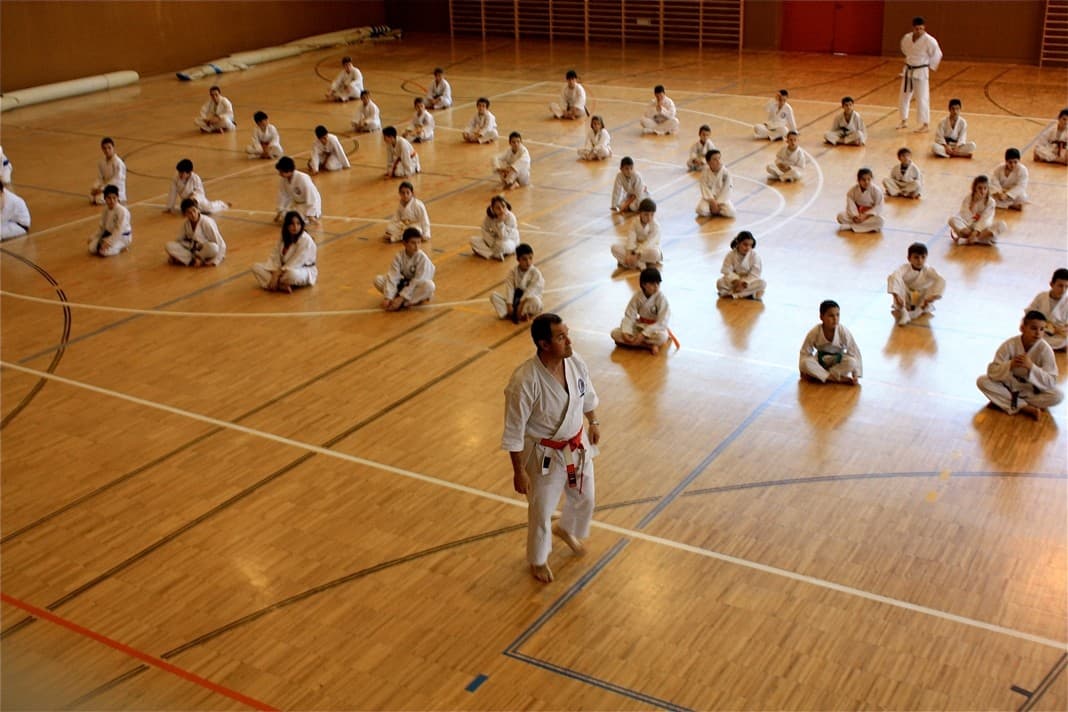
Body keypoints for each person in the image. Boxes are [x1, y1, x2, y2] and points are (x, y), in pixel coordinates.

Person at [503, 313, 601, 583]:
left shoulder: (574, 361)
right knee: (541, 509)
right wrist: (518, 471)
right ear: (544, 344)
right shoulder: (524, 381)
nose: (569, 341)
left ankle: (566, 528)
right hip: (543, 455)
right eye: (561, 337)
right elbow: (514, 431)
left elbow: (587, 394)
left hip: (577, 445)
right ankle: (538, 559)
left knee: (586, 497)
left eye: (567, 333)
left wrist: (593, 421)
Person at [977, 311, 1064, 419]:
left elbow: (1051, 381)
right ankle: (1024, 407)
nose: (1038, 333)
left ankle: (1006, 402)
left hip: (1031, 390)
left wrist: (1031, 367)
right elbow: (992, 372)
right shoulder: (1009, 345)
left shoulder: (1046, 350)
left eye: (1042, 329)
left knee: (1058, 396)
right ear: (1022, 328)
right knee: (982, 381)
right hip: (1009, 386)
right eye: (1033, 328)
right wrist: (1010, 365)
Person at [251, 211, 318, 292]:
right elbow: (275, 255)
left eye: (298, 224)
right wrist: (275, 271)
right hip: (282, 269)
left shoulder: (305, 240)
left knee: (291, 275)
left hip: (302, 270)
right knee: (255, 267)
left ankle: (274, 284)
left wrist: (277, 274)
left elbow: (297, 261)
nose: (295, 227)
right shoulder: (284, 236)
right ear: (287, 225)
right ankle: (280, 286)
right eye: (292, 224)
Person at [799, 300, 862, 385]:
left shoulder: (842, 331)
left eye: (837, 315)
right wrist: (802, 371)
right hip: (821, 361)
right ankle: (837, 379)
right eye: (831, 316)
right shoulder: (815, 332)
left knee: (852, 362)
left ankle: (822, 376)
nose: (835, 319)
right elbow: (805, 352)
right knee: (805, 363)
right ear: (821, 317)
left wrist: (856, 375)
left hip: (837, 362)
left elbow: (854, 351)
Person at [611, 267, 672, 354]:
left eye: (658, 283)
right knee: (615, 333)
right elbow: (629, 315)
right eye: (652, 284)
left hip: (655, 329)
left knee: (662, 337)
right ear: (644, 284)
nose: (656, 287)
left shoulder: (661, 299)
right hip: (640, 325)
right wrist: (626, 332)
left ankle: (633, 343)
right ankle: (648, 346)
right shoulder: (637, 297)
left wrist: (644, 334)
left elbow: (662, 322)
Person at [374, 227, 436, 310]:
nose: (417, 246)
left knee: (430, 286)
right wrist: (388, 297)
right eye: (413, 243)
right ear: (404, 243)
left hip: (418, 285)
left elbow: (417, 281)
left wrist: (401, 298)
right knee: (378, 280)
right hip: (404, 283)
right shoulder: (399, 257)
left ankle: (406, 302)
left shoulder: (422, 258)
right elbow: (393, 276)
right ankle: (395, 299)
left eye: (419, 242)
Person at [899, 16, 943, 132]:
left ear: (924, 28)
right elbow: (904, 49)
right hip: (908, 70)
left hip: (921, 71)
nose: (919, 31)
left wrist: (929, 65)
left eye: (921, 29)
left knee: (922, 98)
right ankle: (903, 120)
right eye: (916, 29)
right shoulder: (907, 38)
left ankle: (925, 124)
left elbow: (937, 54)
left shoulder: (929, 40)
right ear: (913, 28)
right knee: (904, 96)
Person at [887, 242, 945, 326]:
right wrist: (896, 295)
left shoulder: (928, 270)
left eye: (923, 257)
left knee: (938, 280)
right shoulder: (904, 268)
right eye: (916, 257)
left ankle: (916, 311)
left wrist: (934, 296)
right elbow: (894, 277)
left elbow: (940, 280)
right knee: (893, 277)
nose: (920, 261)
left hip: (922, 299)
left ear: (926, 257)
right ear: (909, 258)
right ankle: (904, 312)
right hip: (905, 298)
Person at [491, 243, 544, 322]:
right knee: (493, 296)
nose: (528, 262)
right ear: (518, 259)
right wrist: (509, 304)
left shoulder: (536, 273)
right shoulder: (512, 272)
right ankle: (516, 314)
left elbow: (531, 291)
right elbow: (510, 289)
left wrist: (521, 305)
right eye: (524, 259)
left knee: (536, 302)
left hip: (527, 301)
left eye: (530, 258)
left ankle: (521, 313)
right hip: (515, 301)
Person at [166, 198, 226, 266]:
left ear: (198, 210)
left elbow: (221, 243)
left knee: (214, 248)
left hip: (205, 250)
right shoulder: (186, 224)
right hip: (192, 250)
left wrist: (216, 260)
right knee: (169, 245)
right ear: (185, 214)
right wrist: (173, 254)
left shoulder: (206, 222)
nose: (193, 214)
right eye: (189, 212)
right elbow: (179, 240)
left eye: (194, 210)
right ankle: (193, 261)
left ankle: (197, 259)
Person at [948, 175, 1005, 245]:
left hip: (983, 229)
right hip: (968, 227)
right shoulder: (968, 198)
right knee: (952, 220)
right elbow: (964, 215)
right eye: (979, 188)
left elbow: (986, 219)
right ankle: (981, 240)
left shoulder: (991, 202)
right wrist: (974, 203)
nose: (982, 191)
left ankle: (970, 240)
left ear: (988, 189)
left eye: (985, 188)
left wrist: (975, 232)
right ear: (975, 188)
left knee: (1002, 225)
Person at [611, 197, 661, 270]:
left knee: (655, 254)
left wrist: (636, 255)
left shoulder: (656, 226)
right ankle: (641, 264)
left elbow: (649, 243)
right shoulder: (635, 222)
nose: (649, 218)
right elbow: (631, 240)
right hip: (635, 249)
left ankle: (629, 263)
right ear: (640, 213)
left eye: (652, 215)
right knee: (614, 248)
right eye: (646, 214)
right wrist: (628, 254)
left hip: (648, 250)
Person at [164, 159, 229, 215]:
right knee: (187, 212)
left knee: (209, 210)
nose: (180, 174)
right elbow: (172, 192)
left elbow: (200, 192)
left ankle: (221, 204)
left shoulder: (195, 178)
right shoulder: (176, 178)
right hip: (186, 203)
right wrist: (169, 207)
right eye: (179, 172)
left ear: (189, 172)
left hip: (198, 201)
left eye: (182, 173)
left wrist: (193, 198)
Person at [1026, 269, 1068, 350]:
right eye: (1060, 286)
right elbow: (1029, 314)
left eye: (1066, 287)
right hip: (1039, 333)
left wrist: (1062, 329)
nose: (1063, 290)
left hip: (1058, 337)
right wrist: (1046, 326)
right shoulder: (1041, 297)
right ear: (1051, 284)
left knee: (1064, 340)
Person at [717, 231, 765, 300]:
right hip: (734, 282)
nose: (748, 247)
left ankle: (734, 295)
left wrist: (744, 283)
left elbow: (755, 274)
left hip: (747, 283)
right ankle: (747, 294)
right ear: (738, 243)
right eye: (745, 244)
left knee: (762, 283)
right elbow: (727, 270)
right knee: (720, 283)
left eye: (750, 245)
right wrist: (736, 281)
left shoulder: (754, 256)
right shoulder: (731, 255)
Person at [274, 156, 322, 224]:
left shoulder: (303, 178)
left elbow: (312, 196)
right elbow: (283, 195)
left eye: (281, 172)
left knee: (296, 220)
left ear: (289, 170)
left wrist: (310, 215)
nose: (280, 174)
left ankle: (309, 216)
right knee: (286, 217)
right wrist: (279, 212)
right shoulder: (284, 179)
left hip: (310, 204)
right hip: (298, 205)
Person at [87, 184, 131, 256]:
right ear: (105, 198)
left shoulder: (122, 211)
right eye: (109, 198)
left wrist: (109, 242)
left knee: (103, 252)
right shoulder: (105, 209)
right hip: (109, 234)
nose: (112, 201)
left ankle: (123, 246)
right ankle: (111, 244)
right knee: (92, 248)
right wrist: (93, 236)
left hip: (122, 237)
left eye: (114, 198)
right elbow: (102, 227)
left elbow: (119, 230)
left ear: (118, 198)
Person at [471, 194, 519, 260]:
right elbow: (484, 229)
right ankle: (496, 254)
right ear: (493, 208)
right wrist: (491, 242)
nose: (501, 210)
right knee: (473, 240)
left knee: (501, 245)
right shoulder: (490, 216)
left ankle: (490, 252)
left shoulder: (510, 217)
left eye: (503, 206)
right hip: (495, 240)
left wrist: (500, 222)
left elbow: (504, 237)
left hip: (509, 241)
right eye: (498, 208)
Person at [836, 168, 884, 233]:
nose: (866, 182)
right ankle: (863, 227)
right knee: (840, 216)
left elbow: (878, 207)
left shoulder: (876, 191)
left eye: (869, 179)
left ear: (871, 179)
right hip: (857, 216)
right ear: (858, 180)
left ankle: (850, 227)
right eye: (863, 180)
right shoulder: (852, 191)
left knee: (880, 221)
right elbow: (851, 205)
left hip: (869, 217)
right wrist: (855, 216)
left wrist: (865, 216)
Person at [697, 149, 735, 218]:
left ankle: (716, 210)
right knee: (701, 210)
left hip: (722, 199)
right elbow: (704, 187)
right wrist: (712, 201)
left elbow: (727, 189)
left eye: (719, 158)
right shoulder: (705, 172)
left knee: (731, 212)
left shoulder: (725, 173)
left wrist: (718, 203)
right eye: (714, 159)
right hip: (709, 198)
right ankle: (714, 210)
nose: (718, 161)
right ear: (708, 162)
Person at [90, 137, 127, 205]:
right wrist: (95, 187)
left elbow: (116, 180)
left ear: (113, 148)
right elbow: (100, 178)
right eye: (104, 148)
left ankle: (116, 199)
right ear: (102, 149)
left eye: (109, 148)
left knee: (99, 199)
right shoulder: (101, 162)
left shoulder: (118, 163)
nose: (107, 150)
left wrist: (102, 189)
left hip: (117, 189)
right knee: (92, 196)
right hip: (106, 187)